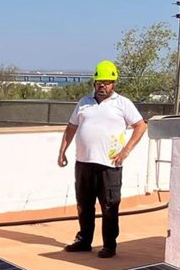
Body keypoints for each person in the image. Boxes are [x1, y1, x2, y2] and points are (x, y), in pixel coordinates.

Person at [57, 59, 148, 259]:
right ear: (94, 82)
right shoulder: (84, 102)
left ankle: (109, 245)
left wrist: (125, 151)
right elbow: (71, 126)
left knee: (109, 206)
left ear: (113, 84)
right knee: (84, 205)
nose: (102, 86)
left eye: (107, 82)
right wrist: (62, 151)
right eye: (100, 82)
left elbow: (141, 125)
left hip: (109, 165)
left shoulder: (122, 103)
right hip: (84, 163)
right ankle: (84, 241)